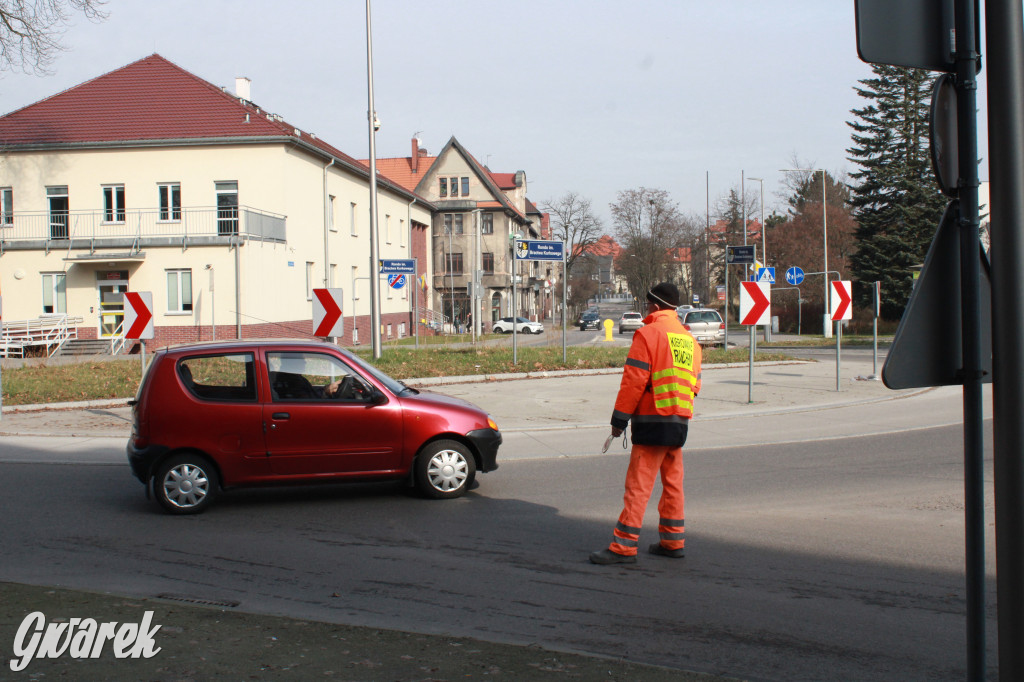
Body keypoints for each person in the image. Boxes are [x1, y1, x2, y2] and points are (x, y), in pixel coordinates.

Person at [590, 282, 702, 565]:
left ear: (654, 306)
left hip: (652, 420)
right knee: (673, 483)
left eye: (647, 304)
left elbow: (633, 382)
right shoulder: (689, 339)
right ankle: (673, 541)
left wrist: (619, 420)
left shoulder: (648, 334)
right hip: (680, 420)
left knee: (639, 485)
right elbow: (695, 384)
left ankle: (623, 548)